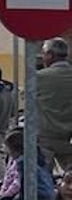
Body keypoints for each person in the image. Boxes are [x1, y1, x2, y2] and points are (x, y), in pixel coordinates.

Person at [37, 39, 72, 172]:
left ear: (50, 55)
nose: (43, 58)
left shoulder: (38, 77)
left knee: (44, 179)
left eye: (44, 54)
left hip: (45, 137)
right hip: (69, 138)